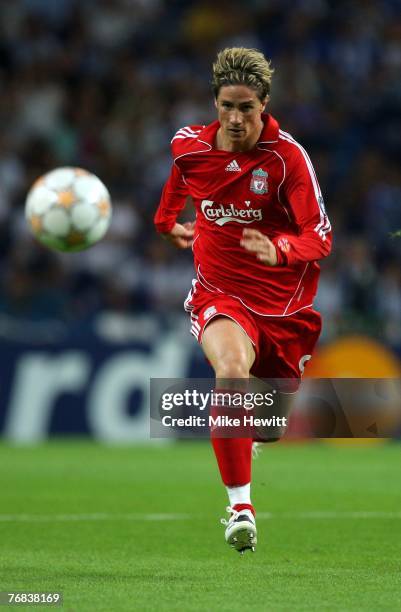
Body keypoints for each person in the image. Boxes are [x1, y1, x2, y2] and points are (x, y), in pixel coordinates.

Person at [154, 47, 332, 553]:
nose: (235, 118)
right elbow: (177, 186)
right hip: (220, 293)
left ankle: (246, 440)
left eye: (246, 108)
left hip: (285, 308)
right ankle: (240, 508)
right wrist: (167, 225)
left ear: (265, 105)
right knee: (231, 371)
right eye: (227, 106)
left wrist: (280, 249)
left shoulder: (288, 159)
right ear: (215, 102)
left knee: (271, 428)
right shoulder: (189, 146)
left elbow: (319, 236)